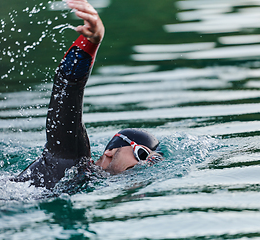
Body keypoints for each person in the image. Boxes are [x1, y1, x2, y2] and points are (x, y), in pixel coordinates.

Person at [12, 0, 163, 190]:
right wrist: (91, 42)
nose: (143, 165)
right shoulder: (73, 158)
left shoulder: (90, 183)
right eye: (141, 154)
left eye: (151, 162)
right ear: (110, 151)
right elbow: (66, 88)